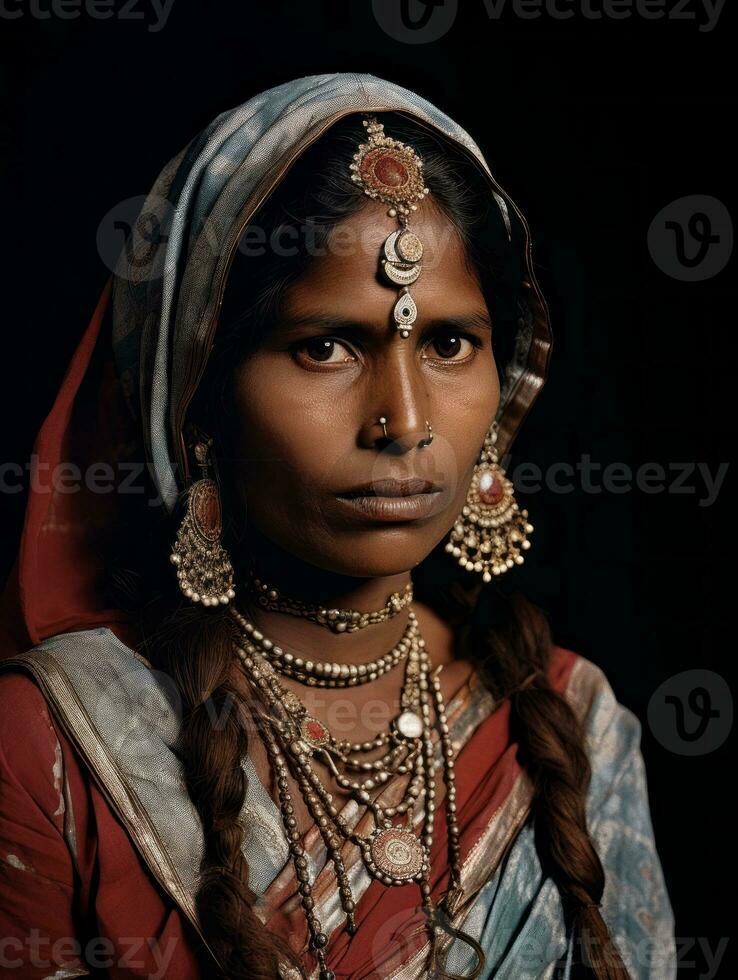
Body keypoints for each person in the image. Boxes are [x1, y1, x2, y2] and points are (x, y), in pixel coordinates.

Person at [0, 73, 675, 979]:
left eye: (447, 344)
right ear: (199, 393)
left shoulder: (576, 729)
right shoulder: (53, 749)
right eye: (325, 345)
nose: (403, 421)